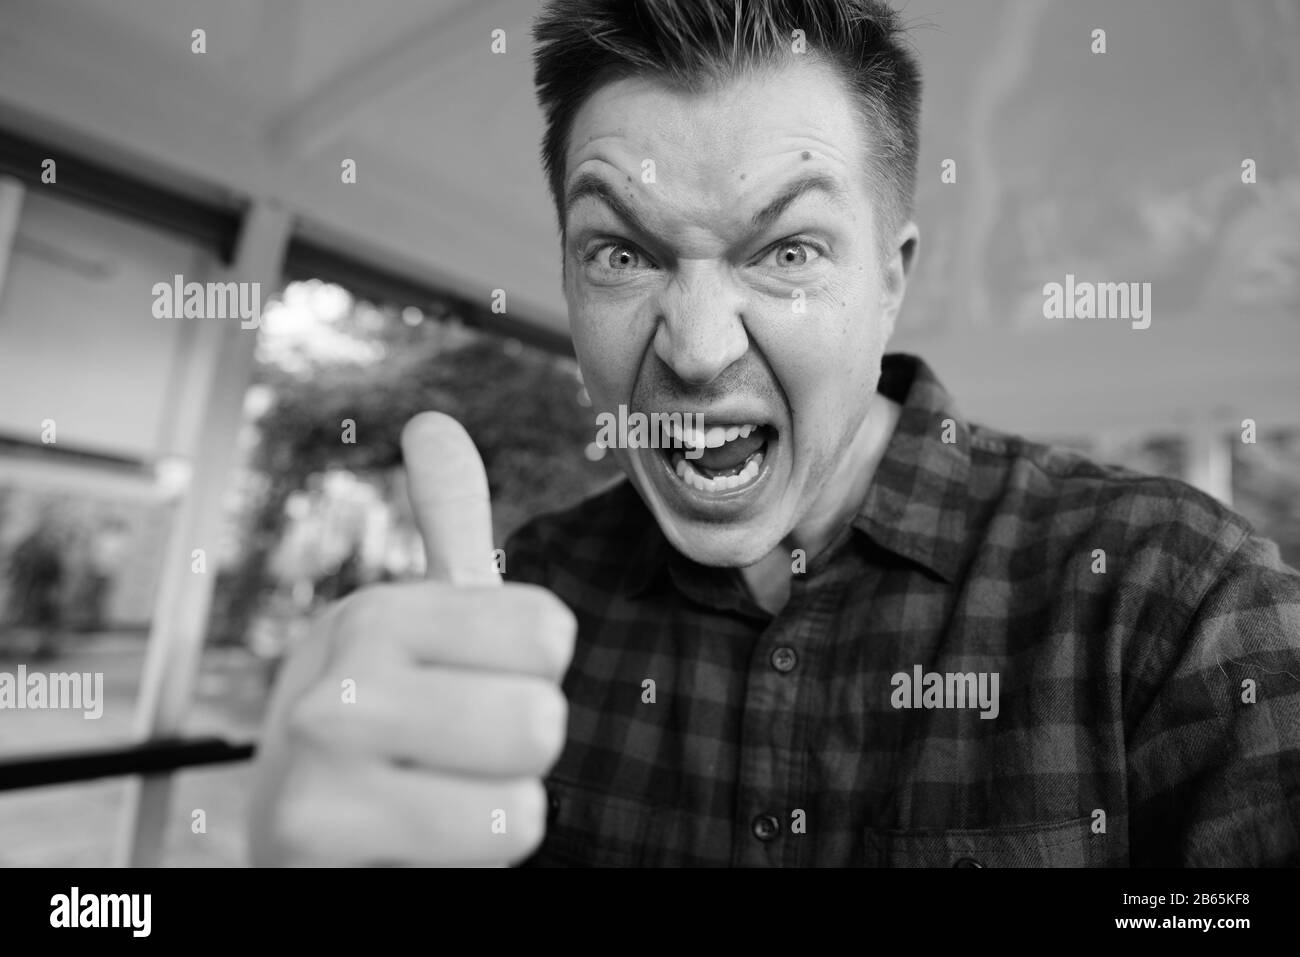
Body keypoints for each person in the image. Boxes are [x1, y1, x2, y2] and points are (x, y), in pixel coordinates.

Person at [248, 0, 1300, 866]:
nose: (697, 350)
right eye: (619, 253)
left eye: (788, 250)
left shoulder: (1173, 598)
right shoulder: (527, 596)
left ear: (890, 279)